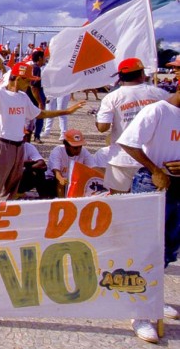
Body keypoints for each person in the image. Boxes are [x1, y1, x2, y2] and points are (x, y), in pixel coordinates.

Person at [117, 90, 180, 343]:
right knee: (145, 249)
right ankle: (139, 312)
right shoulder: (158, 111)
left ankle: (152, 299)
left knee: (168, 249)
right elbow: (128, 141)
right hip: (153, 183)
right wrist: (156, 169)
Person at [0, 58, 85, 201]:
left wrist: (66, 111)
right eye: (28, 81)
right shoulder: (0, 94)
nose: (30, 84)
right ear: (18, 78)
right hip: (2, 145)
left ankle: (3, 217)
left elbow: (40, 114)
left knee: (12, 187)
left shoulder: (23, 97)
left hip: (19, 145)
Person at [95, 58, 168, 195]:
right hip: (152, 160)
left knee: (119, 205)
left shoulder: (112, 97)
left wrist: (97, 119)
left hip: (121, 158)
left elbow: (102, 127)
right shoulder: (160, 94)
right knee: (149, 208)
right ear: (141, 73)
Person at [45, 129, 94, 198]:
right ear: (66, 145)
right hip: (54, 180)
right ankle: (61, 203)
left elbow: (93, 168)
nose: (78, 150)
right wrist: (62, 180)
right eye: (75, 148)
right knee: (61, 182)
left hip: (72, 181)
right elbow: (57, 173)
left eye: (80, 146)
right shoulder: (57, 151)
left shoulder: (84, 151)